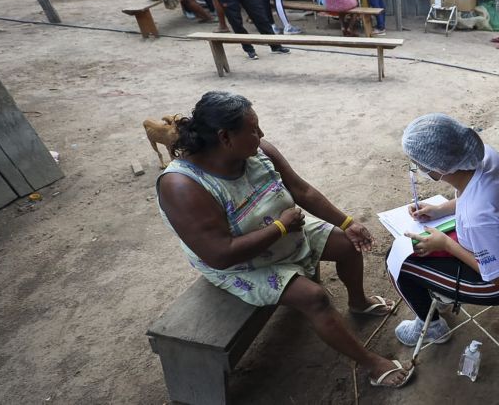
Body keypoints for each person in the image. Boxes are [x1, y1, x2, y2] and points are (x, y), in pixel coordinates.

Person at [157, 91, 414, 388]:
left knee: (347, 243)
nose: (261, 134)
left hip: (285, 229)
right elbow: (220, 254)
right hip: (242, 262)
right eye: (253, 130)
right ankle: (370, 363)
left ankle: (358, 302)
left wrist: (347, 222)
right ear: (225, 138)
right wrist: (280, 227)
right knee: (314, 298)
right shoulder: (183, 185)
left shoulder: (258, 151)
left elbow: (302, 191)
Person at [389, 113, 499, 346]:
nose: (417, 169)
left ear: (439, 168)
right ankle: (436, 289)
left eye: (418, 165)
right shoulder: (483, 156)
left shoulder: (477, 216)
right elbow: (478, 198)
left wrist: (447, 245)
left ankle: (431, 327)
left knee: (400, 264)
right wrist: (441, 209)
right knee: (420, 248)